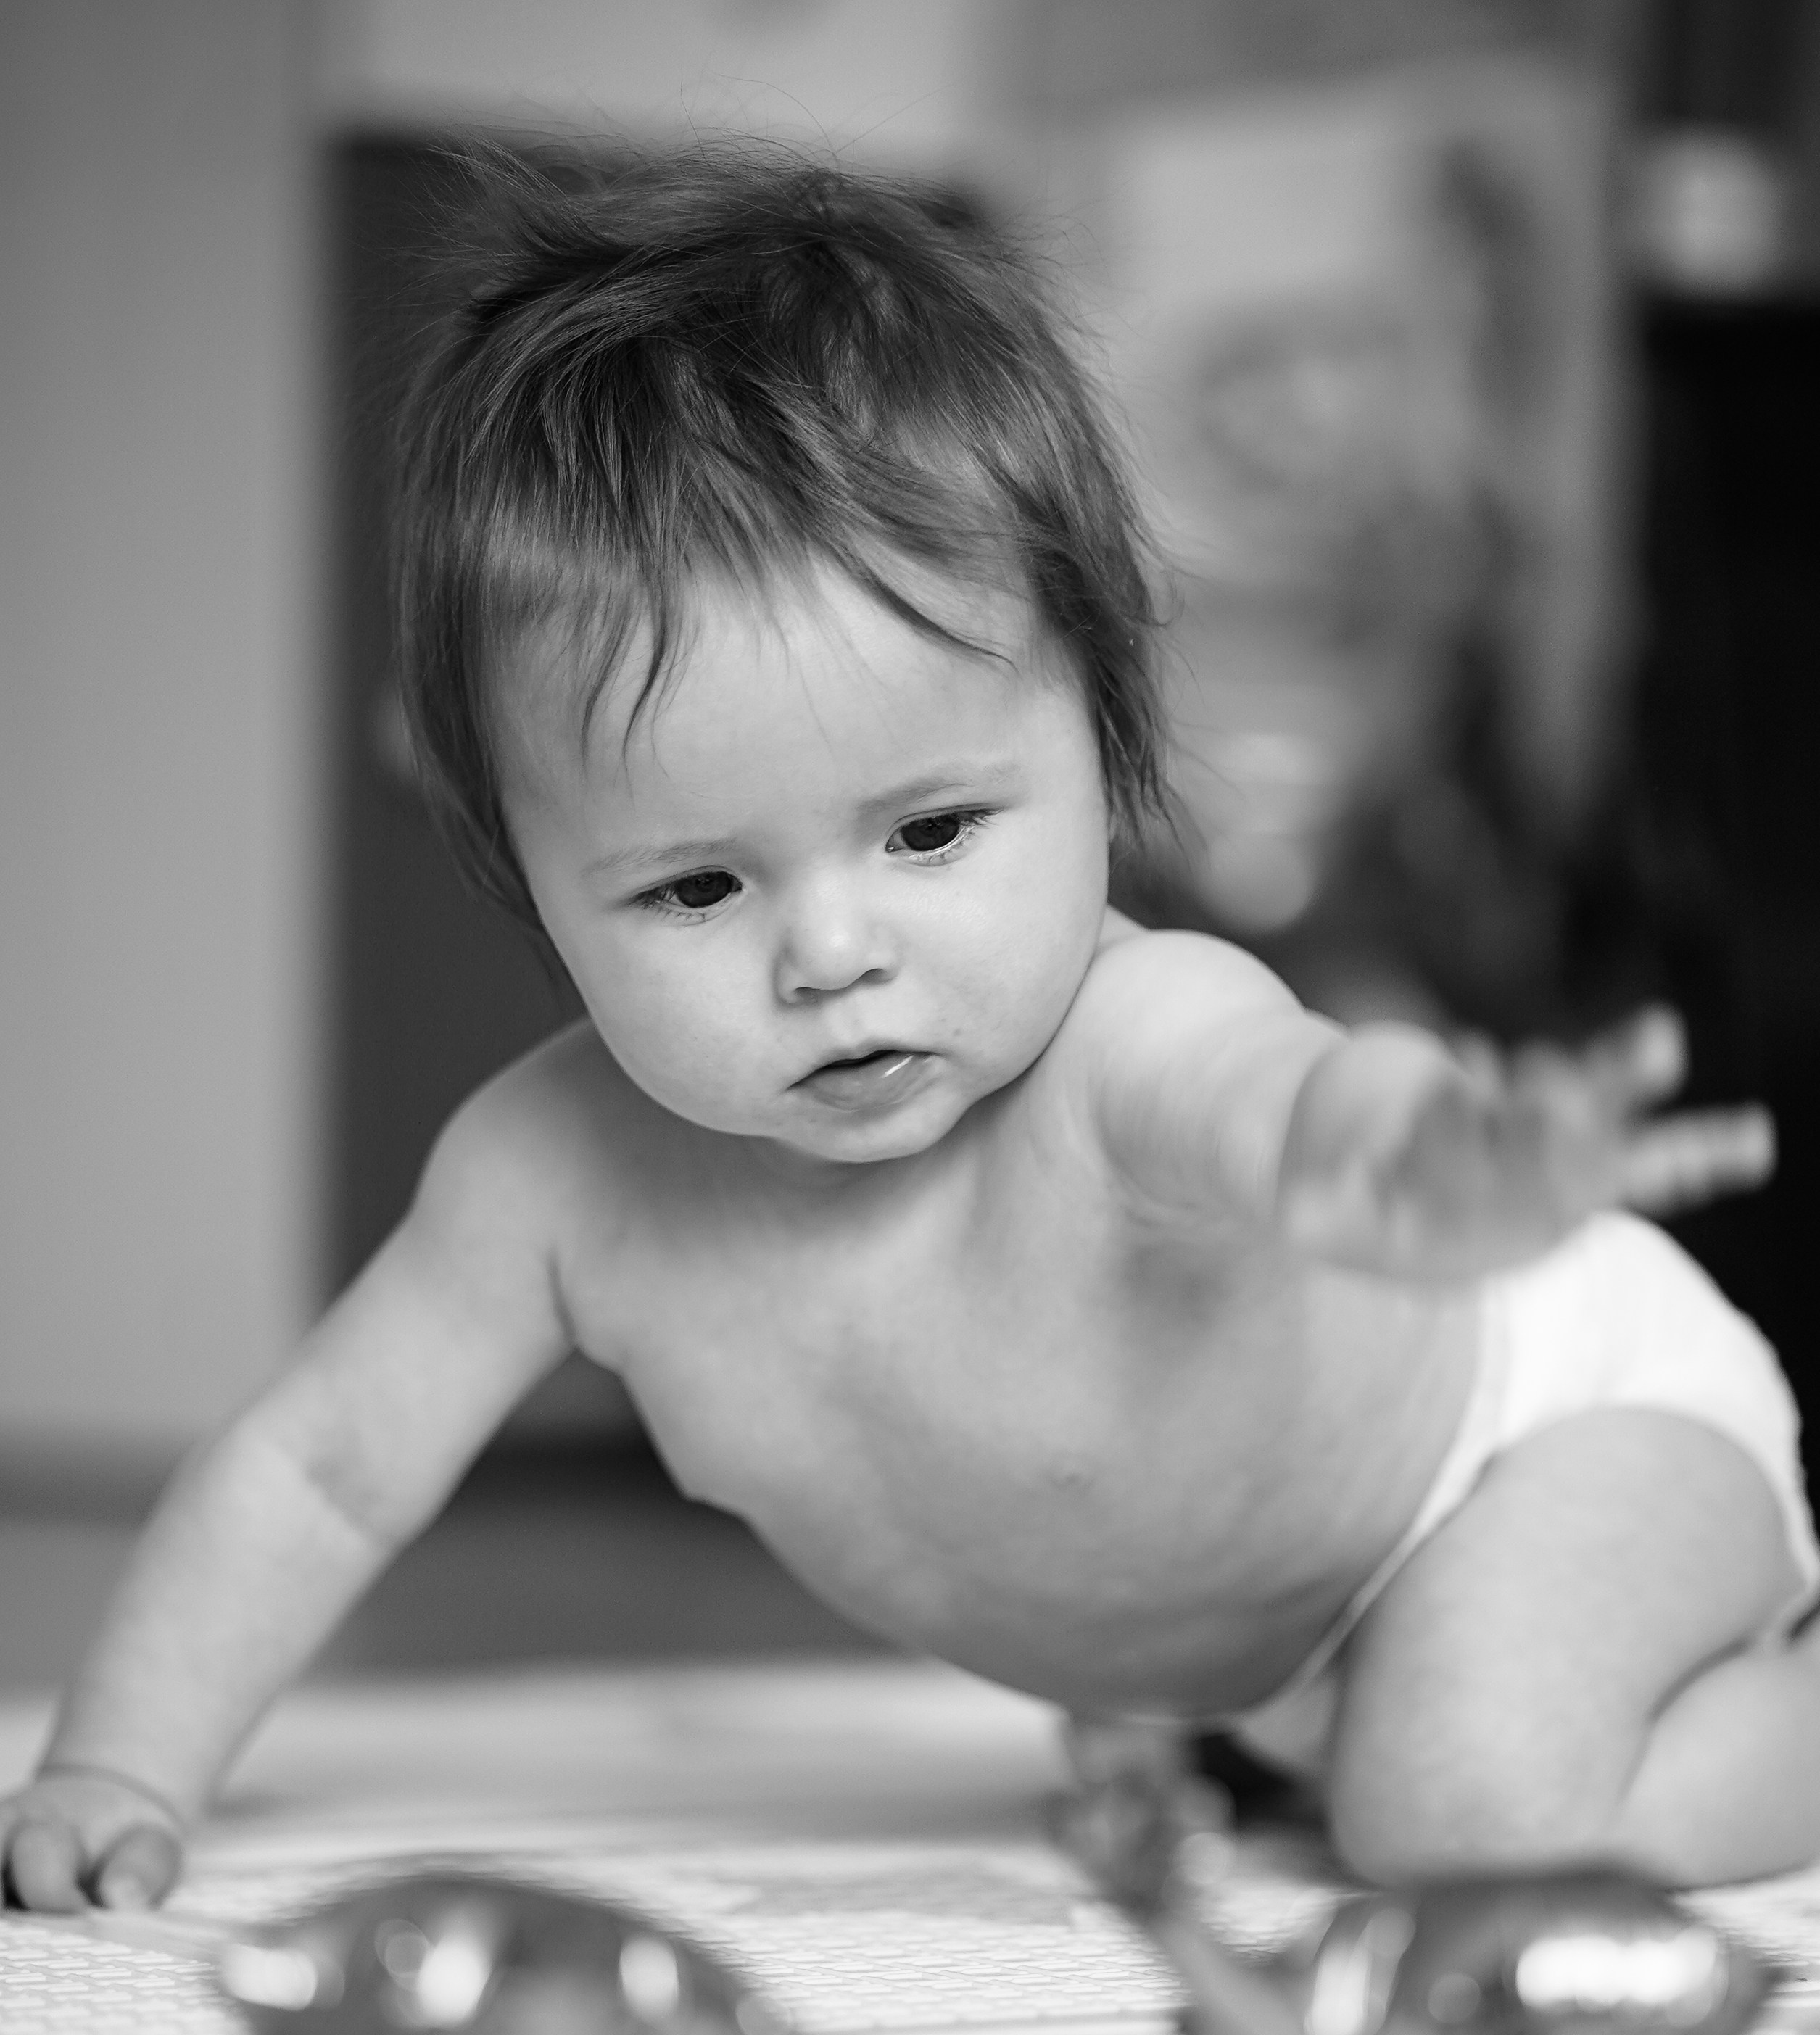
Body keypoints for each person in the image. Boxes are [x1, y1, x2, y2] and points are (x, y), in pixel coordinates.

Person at [4, 146, 1816, 1919]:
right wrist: (119, 1765)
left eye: (931, 831)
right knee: (1333, 1762)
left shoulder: (1134, 1046)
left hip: (1553, 1434)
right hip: (1262, 1650)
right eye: (695, 889)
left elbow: (1300, 1111)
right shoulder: (553, 1184)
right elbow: (317, 1470)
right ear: (530, 884)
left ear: (1107, 758)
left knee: (1456, 1812)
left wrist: (1428, 1168)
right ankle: (1306, 1731)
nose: (834, 953)